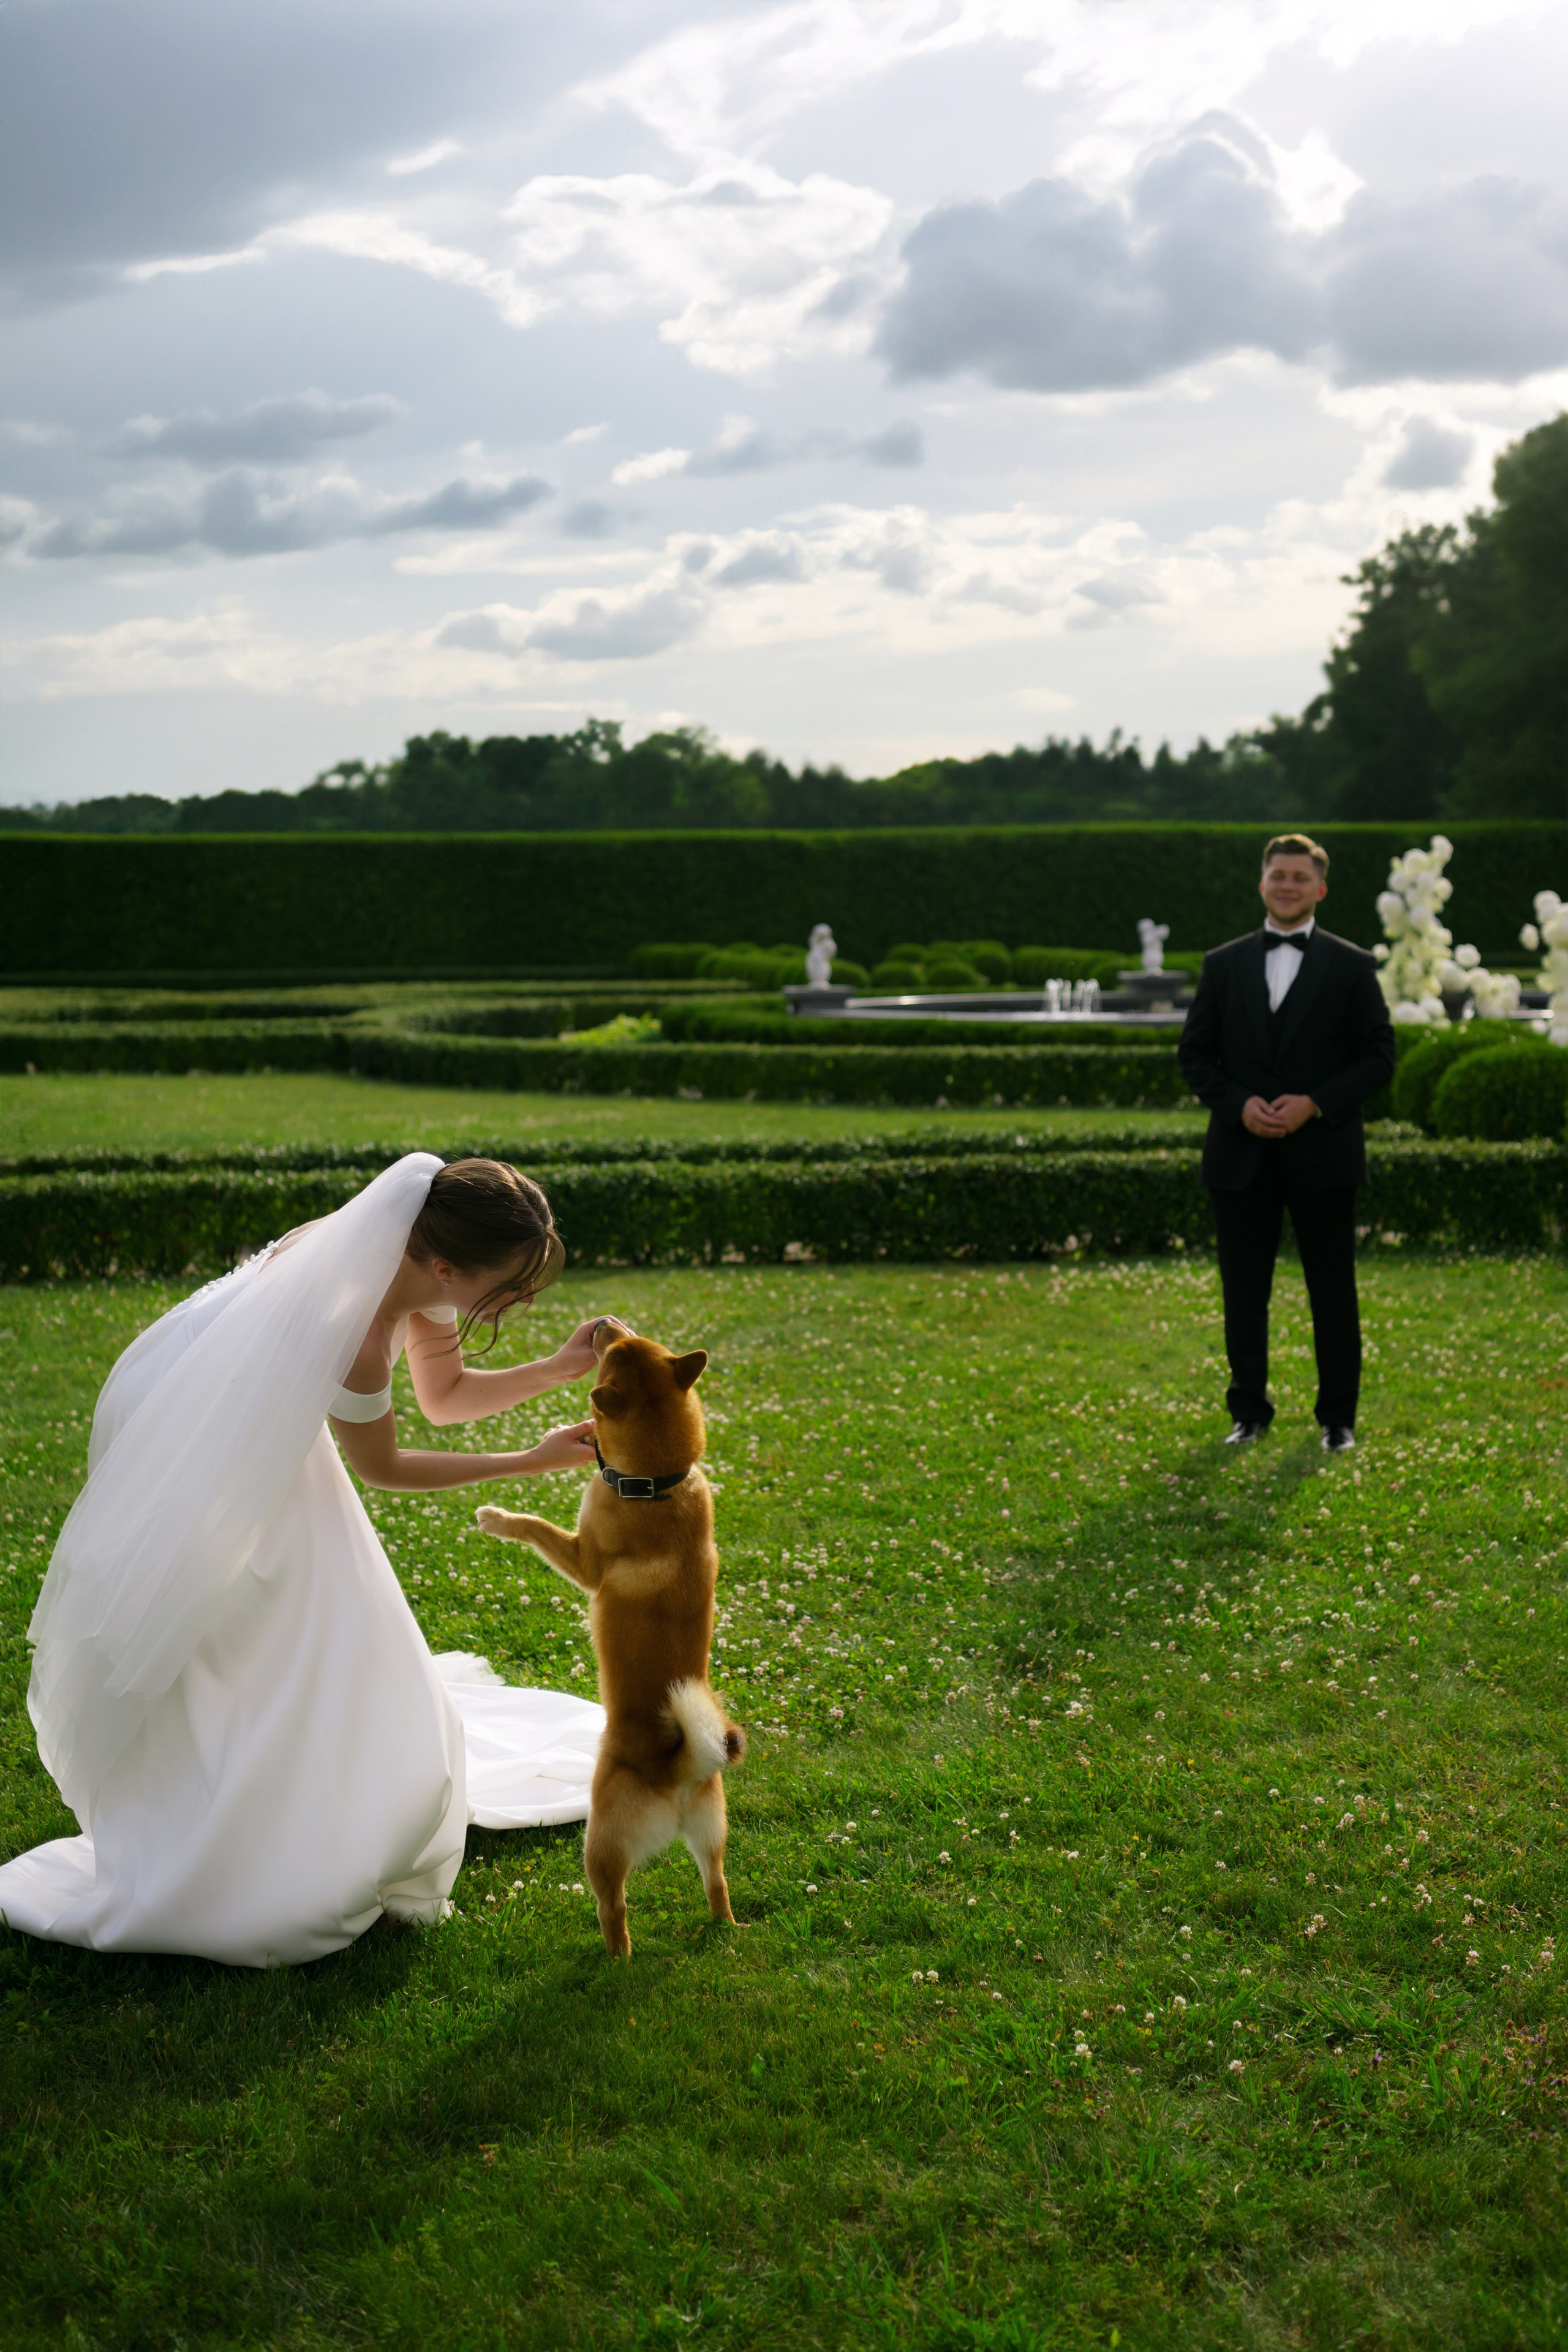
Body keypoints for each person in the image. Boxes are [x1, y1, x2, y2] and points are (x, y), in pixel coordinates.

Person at [0, 1155, 619, 1968]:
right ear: (444, 1267)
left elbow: (444, 1397)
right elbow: (384, 1467)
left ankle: (263, 1753)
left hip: (229, 1398)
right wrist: (528, 1462)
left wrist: (560, 1368)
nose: (524, 1300)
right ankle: (228, 1799)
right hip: (194, 1431)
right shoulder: (354, 1323)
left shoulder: (415, 1241)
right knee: (255, 1611)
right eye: (510, 1286)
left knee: (309, 1609)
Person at [1177, 835, 1395, 1453]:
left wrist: (1314, 1103)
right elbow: (1194, 1054)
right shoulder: (1222, 964)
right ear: (1262, 883)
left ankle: (1338, 1420)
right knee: (1243, 1295)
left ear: (1319, 888)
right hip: (1238, 1157)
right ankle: (1248, 1412)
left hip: (1324, 1153)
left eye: (1301, 877)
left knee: (1333, 1294)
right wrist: (1237, 1105)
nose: (1288, 886)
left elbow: (1379, 1057)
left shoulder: (1352, 965)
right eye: (1279, 875)